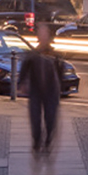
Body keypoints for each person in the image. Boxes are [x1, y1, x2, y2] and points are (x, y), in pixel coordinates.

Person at [23, 16, 62, 155]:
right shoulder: (33, 54)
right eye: (41, 33)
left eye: (44, 33)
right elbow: (25, 69)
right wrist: (22, 84)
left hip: (51, 91)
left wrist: (60, 89)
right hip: (36, 91)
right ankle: (37, 141)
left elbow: (60, 72)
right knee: (35, 119)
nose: (42, 36)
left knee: (50, 118)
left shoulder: (55, 55)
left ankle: (48, 141)